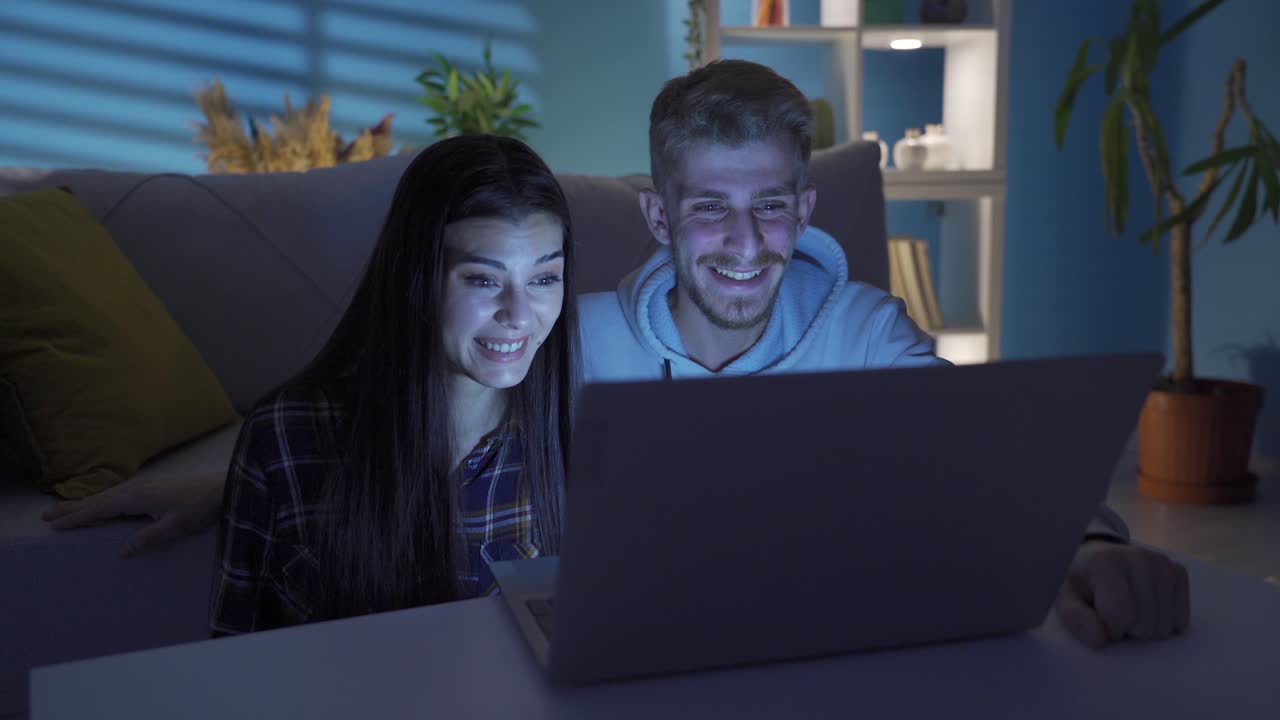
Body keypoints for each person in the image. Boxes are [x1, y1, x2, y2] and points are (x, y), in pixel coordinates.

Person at [45, 61, 1189, 650]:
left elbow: (986, 453)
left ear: (802, 203)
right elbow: (426, 409)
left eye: (774, 207)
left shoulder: (858, 330)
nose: (745, 247)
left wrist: (1089, 537)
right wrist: (238, 477)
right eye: (708, 211)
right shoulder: (572, 344)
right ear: (655, 216)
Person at [206, 134, 577, 633]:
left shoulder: (571, 431)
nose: (519, 315)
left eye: (544, 279)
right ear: (417, 278)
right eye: (482, 280)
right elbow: (233, 649)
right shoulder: (287, 437)